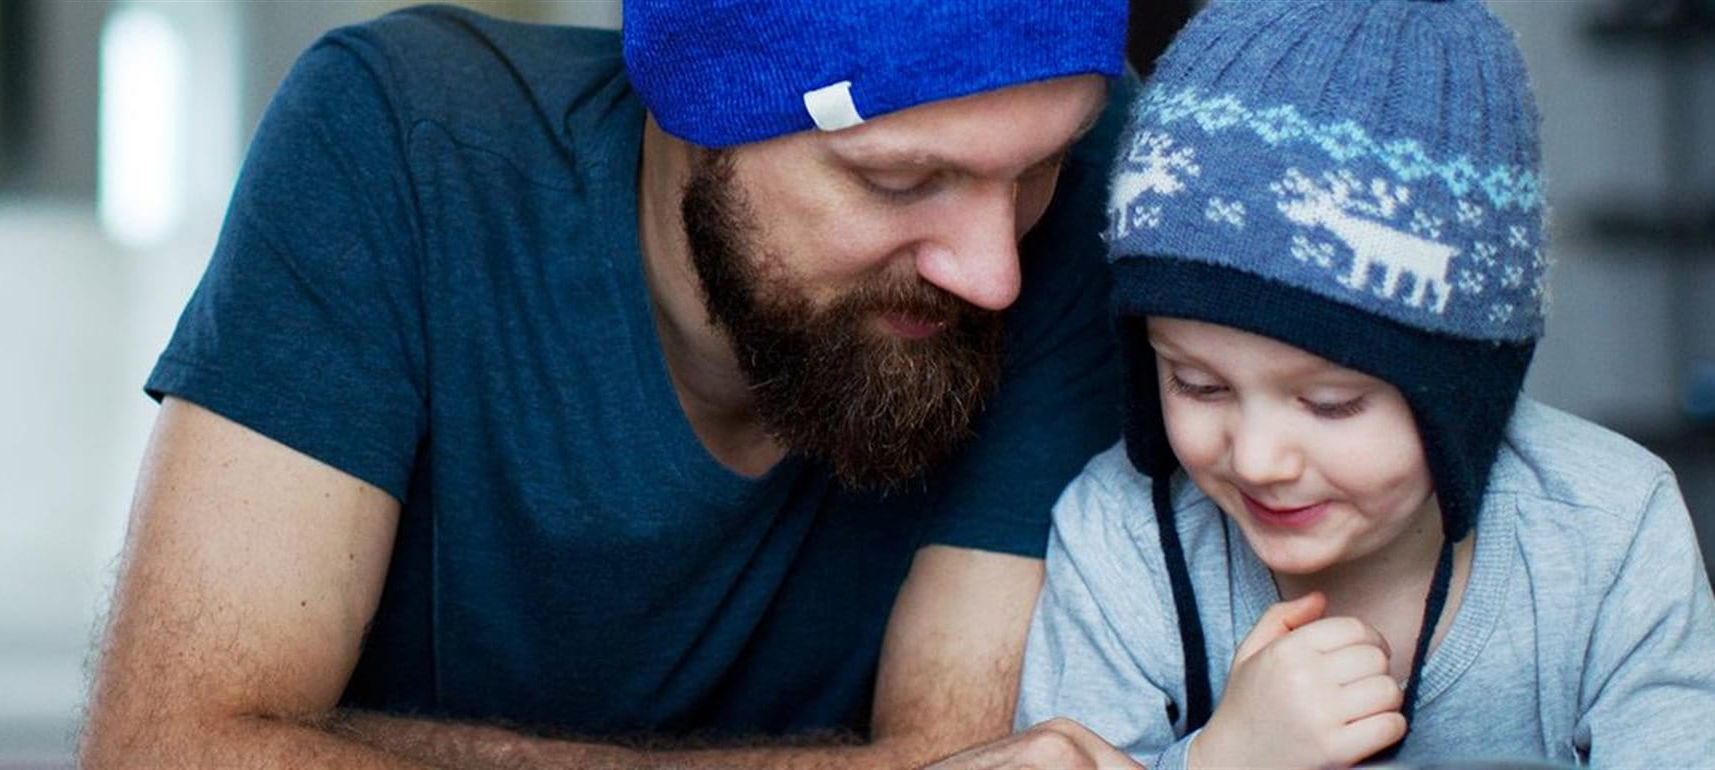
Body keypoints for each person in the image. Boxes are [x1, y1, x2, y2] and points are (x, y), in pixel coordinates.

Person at [80, 2, 1141, 767]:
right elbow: (164, 747)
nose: (994, 270)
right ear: (691, 115)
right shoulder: (401, 146)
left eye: (1034, 171)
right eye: (900, 181)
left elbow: (971, 756)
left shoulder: (1083, 212)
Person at [1013, 0, 1715, 767]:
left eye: (1330, 403)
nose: (1261, 458)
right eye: (1198, 384)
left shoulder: (1607, 527)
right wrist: (1227, 760)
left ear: (1463, 395)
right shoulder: (1122, 539)